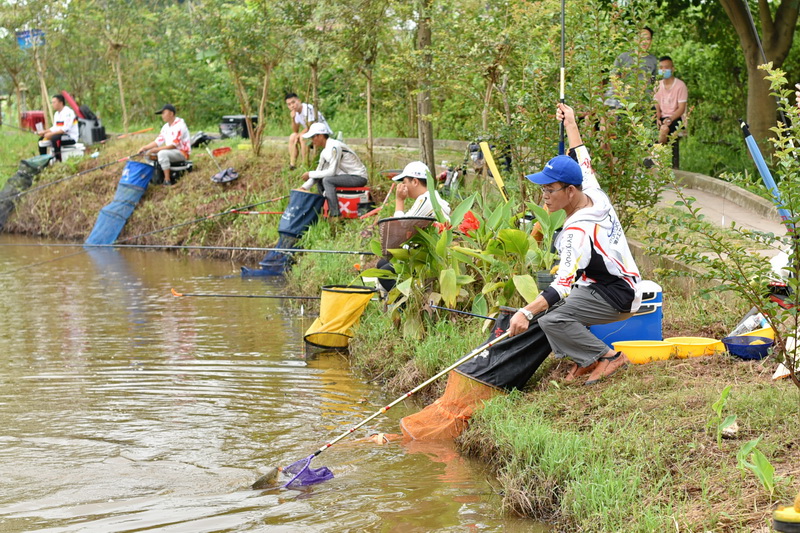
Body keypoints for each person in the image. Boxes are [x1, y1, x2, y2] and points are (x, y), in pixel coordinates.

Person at [508, 102, 643, 386]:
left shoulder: (576, 231)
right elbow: (582, 155)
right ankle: (587, 358)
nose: (544, 196)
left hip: (617, 295)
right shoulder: (592, 190)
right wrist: (570, 121)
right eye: (542, 188)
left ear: (570, 191)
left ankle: (608, 357)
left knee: (550, 319)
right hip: (612, 284)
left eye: (549, 189)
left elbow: (562, 286)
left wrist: (525, 312)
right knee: (554, 312)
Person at [298, 122, 367, 217]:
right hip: (347, 176)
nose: (312, 141)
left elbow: (331, 172)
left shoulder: (335, 146)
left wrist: (310, 174)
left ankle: (335, 215)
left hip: (358, 177)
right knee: (320, 180)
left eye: (313, 137)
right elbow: (319, 172)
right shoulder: (324, 152)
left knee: (327, 180)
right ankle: (323, 209)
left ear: (321, 136)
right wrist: (304, 187)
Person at [604, 27, 658, 109]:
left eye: (648, 39)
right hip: (624, 104)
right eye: (641, 38)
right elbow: (614, 78)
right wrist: (621, 98)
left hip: (644, 105)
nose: (644, 42)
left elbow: (654, 82)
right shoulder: (623, 57)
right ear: (635, 39)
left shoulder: (653, 60)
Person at [137, 104, 191, 186]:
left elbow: (174, 145)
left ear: (171, 113)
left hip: (182, 153)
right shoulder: (165, 127)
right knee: (147, 153)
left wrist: (158, 149)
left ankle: (167, 180)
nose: (162, 115)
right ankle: (155, 175)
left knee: (162, 153)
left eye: (164, 113)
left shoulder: (180, 125)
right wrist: (144, 148)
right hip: (170, 152)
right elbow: (157, 141)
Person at [285, 92, 329, 170]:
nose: (292, 105)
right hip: (313, 134)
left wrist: (300, 135)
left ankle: (305, 164)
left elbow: (311, 126)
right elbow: (295, 130)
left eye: (293, 102)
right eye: (289, 104)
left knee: (302, 137)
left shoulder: (307, 108)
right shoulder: (296, 113)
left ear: (299, 101)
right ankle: (292, 164)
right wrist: (293, 118)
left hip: (322, 134)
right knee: (293, 136)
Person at [653, 56, 688, 144]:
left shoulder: (680, 85)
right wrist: (657, 117)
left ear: (672, 69)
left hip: (675, 118)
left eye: (666, 67)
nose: (663, 70)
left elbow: (681, 108)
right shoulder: (657, 85)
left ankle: (659, 151)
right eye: (661, 68)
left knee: (664, 129)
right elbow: (656, 104)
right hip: (661, 117)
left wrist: (670, 119)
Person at [38, 94, 78, 162]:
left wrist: (51, 134)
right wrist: (45, 132)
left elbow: (64, 129)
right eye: (52, 102)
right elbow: (55, 127)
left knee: (55, 139)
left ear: (61, 103)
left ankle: (58, 160)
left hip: (70, 137)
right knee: (41, 139)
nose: (52, 104)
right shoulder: (56, 114)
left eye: (54, 102)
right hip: (61, 135)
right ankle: (44, 160)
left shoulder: (68, 113)